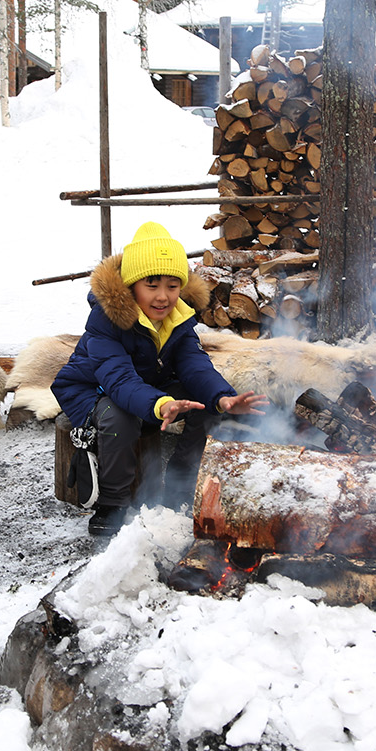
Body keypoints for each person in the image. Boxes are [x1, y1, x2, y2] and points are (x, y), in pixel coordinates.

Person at [52, 222, 270, 537]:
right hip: (92, 391)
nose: (163, 297)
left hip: (147, 387)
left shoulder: (177, 319)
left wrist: (222, 397)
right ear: (131, 285)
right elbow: (119, 381)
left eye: (172, 285)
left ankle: (182, 480)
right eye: (151, 285)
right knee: (119, 417)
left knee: (203, 400)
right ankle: (113, 502)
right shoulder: (106, 320)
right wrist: (162, 403)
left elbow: (195, 364)